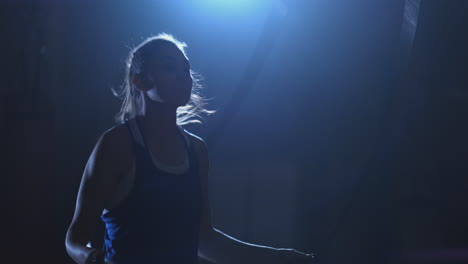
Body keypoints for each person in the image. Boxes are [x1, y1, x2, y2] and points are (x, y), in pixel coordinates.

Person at [64, 33, 315, 264]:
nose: (184, 76)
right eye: (169, 67)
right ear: (139, 80)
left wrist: (279, 258)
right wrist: (89, 257)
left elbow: (204, 240)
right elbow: (75, 238)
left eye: (187, 69)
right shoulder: (116, 145)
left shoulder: (196, 150)